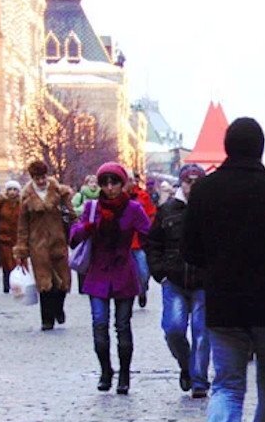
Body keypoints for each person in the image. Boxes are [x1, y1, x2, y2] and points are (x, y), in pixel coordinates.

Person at [182, 118, 265, 422]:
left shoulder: (205, 191)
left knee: (227, 382)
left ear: (227, 147)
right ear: (261, 148)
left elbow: (190, 252)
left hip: (223, 303)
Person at [69, 163, 150, 388]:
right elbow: (74, 237)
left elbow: (149, 234)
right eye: (105, 183)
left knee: (123, 325)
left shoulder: (133, 208)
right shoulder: (92, 207)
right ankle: (106, 371)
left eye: (114, 182)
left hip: (123, 272)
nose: (110, 187)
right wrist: (88, 227)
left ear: (122, 184)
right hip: (98, 274)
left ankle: (124, 374)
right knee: (99, 323)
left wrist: (147, 255)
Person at [146, 164, 210, 397]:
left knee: (202, 332)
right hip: (174, 280)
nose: (192, 186)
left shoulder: (211, 210)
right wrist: (159, 272)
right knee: (174, 329)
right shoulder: (168, 210)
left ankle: (199, 380)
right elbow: (153, 243)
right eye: (188, 181)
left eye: (196, 181)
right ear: (181, 183)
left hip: (203, 282)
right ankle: (186, 365)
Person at [17, 160, 75, 330]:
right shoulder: (26, 197)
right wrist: (22, 249)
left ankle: (59, 308)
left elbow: (71, 215)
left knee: (63, 281)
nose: (41, 181)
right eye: (37, 178)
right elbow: (22, 226)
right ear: (32, 178)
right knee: (44, 283)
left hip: (59, 241)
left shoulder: (60, 192)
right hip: (38, 245)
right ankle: (47, 320)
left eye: (43, 177)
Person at [126, 170, 156, 308]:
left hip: (140, 242)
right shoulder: (119, 197)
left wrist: (149, 231)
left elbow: (151, 214)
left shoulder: (143, 196)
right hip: (124, 243)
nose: (132, 183)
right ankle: (129, 297)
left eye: (134, 180)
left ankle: (142, 290)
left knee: (144, 272)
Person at [0, 181, 22, 293]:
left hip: (18, 237)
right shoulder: (1, 203)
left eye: (15, 189)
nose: (12, 192)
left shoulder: (22, 203)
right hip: (4, 237)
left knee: (18, 262)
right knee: (6, 262)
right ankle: (6, 285)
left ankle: (17, 285)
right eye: (10, 189)